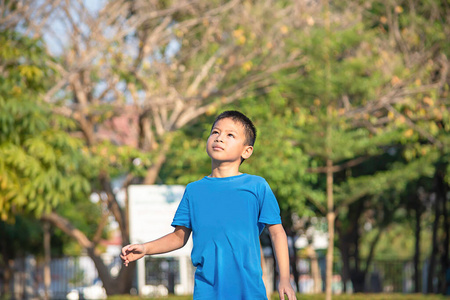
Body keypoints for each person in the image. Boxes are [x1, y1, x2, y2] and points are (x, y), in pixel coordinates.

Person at [121, 110, 297, 300]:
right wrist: (146, 249)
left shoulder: (257, 186)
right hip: (207, 291)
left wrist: (285, 278)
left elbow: (277, 233)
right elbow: (179, 238)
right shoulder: (194, 190)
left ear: (246, 151)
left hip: (249, 290)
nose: (220, 138)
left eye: (230, 135)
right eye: (215, 132)